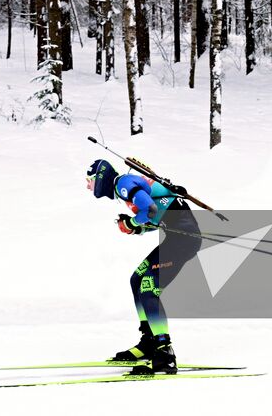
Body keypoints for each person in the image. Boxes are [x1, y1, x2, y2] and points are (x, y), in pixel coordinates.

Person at [86, 158, 201, 375]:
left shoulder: (123, 184)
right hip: (178, 239)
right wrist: (136, 229)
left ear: (100, 177)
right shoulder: (127, 186)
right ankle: (149, 341)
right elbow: (155, 215)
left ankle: (164, 352)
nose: (88, 186)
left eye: (89, 180)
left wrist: (131, 223)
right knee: (137, 279)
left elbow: (148, 208)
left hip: (184, 240)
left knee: (149, 287)